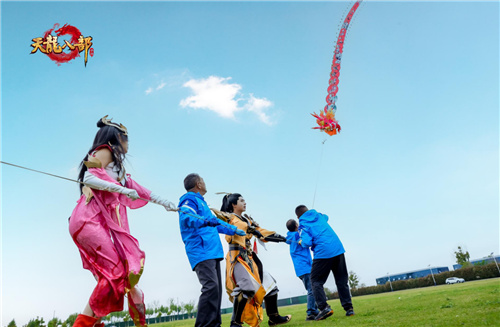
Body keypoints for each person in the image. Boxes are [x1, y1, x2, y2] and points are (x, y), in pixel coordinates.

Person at [69, 116, 176, 327]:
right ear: (118, 137)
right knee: (116, 273)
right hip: (87, 219)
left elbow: (140, 190)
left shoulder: (117, 170)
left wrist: (165, 202)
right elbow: (89, 177)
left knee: (115, 278)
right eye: (126, 138)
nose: (128, 144)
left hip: (92, 222)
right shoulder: (104, 150)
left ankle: (95, 323)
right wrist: (122, 189)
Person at [212, 193, 291, 327]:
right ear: (233, 204)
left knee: (270, 285)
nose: (245, 202)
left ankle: (274, 317)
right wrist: (252, 230)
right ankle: (235, 323)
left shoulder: (247, 219)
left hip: (250, 258)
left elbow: (261, 231)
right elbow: (240, 227)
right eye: (241, 200)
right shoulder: (229, 218)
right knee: (245, 288)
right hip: (237, 258)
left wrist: (281, 238)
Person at [177, 174, 246, 327]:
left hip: (213, 251)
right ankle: (204, 325)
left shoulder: (202, 204)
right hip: (201, 250)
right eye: (203, 180)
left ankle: (215, 324)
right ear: (198, 184)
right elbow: (186, 217)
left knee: (216, 290)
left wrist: (234, 230)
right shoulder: (189, 199)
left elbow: (216, 224)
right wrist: (207, 220)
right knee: (210, 287)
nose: (204, 183)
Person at [295, 205, 355, 320]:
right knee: (341, 280)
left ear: (298, 217)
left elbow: (306, 242)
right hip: (338, 249)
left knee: (315, 281)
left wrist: (301, 241)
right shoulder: (320, 216)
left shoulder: (303, 225)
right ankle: (349, 309)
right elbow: (326, 216)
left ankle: (324, 308)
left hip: (323, 253)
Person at [285, 219, 319, 321]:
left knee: (311, 290)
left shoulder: (291, 237)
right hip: (306, 268)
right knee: (311, 290)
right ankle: (310, 313)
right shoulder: (297, 236)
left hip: (300, 269)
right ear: (296, 225)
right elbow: (306, 239)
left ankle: (315, 310)